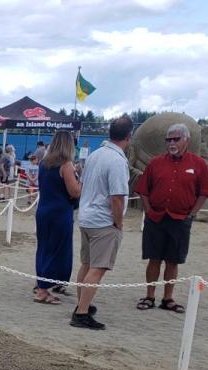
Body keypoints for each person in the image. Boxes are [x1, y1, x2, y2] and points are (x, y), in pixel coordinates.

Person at [132, 123, 208, 314]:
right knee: (154, 259)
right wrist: (149, 210)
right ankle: (149, 295)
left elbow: (205, 191)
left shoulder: (198, 164)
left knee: (173, 260)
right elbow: (143, 189)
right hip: (156, 218)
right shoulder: (156, 163)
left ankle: (168, 298)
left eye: (176, 139)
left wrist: (192, 213)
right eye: (168, 139)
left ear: (187, 140)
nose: (171, 143)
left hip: (180, 219)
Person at [71, 115, 133, 330]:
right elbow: (117, 197)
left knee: (87, 264)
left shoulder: (96, 155)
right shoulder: (117, 161)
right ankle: (81, 312)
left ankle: (82, 305)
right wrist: (119, 223)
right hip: (103, 221)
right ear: (128, 137)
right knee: (97, 268)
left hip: (87, 217)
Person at [31, 131, 82, 305]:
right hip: (59, 212)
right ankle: (44, 290)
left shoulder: (44, 163)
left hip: (44, 210)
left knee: (44, 247)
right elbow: (74, 192)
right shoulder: (65, 165)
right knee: (58, 249)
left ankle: (43, 284)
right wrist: (80, 179)